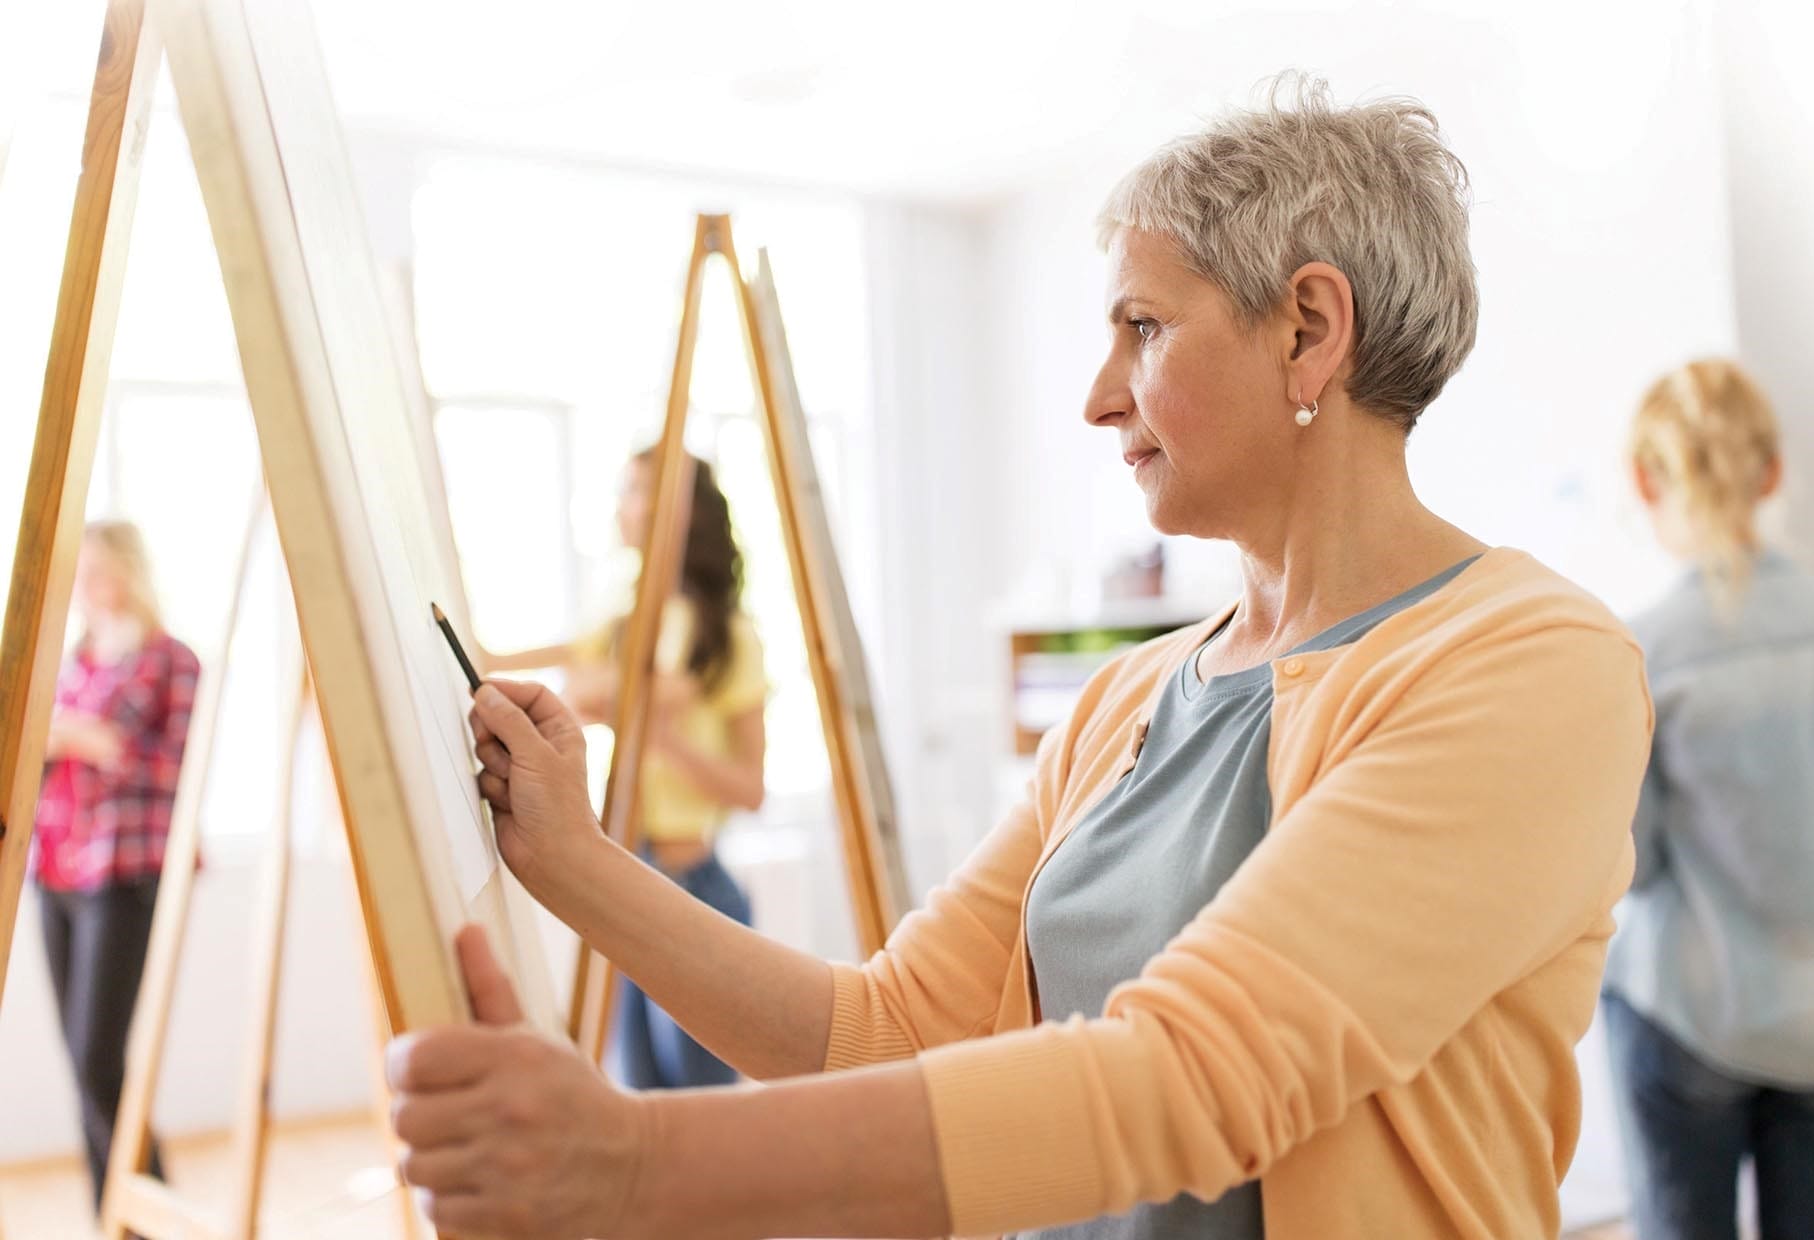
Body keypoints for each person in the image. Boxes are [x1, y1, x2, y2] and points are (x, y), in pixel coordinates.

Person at [385, 77, 1652, 1240]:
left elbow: (1200, 1072)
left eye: (1143, 326)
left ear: (1310, 329)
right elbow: (883, 1031)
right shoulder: (1127, 696)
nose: (1100, 397)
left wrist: (633, 1162)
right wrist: (569, 856)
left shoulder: (1535, 667)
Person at [1602, 360, 1814, 1240]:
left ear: (1646, 481)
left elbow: (1634, 864)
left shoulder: (1641, 653)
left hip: (1691, 1019)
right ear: (1770, 472)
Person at [482, 448, 766, 1089]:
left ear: (681, 512)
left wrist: (659, 734)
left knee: (703, 1110)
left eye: (636, 490)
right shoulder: (621, 619)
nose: (622, 506)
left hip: (693, 883)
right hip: (626, 870)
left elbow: (750, 789)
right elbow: (569, 684)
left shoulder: (726, 635)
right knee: (638, 1103)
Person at [34, 520, 199, 1210]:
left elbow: (175, 769)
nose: (86, 586)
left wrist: (85, 738)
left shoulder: (172, 660)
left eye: (98, 569)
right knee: (82, 1064)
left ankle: (148, 1206)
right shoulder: (68, 661)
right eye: (79, 571)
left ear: (131, 570)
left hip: (125, 873)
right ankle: (113, 1215)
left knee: (101, 1059)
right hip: (55, 870)